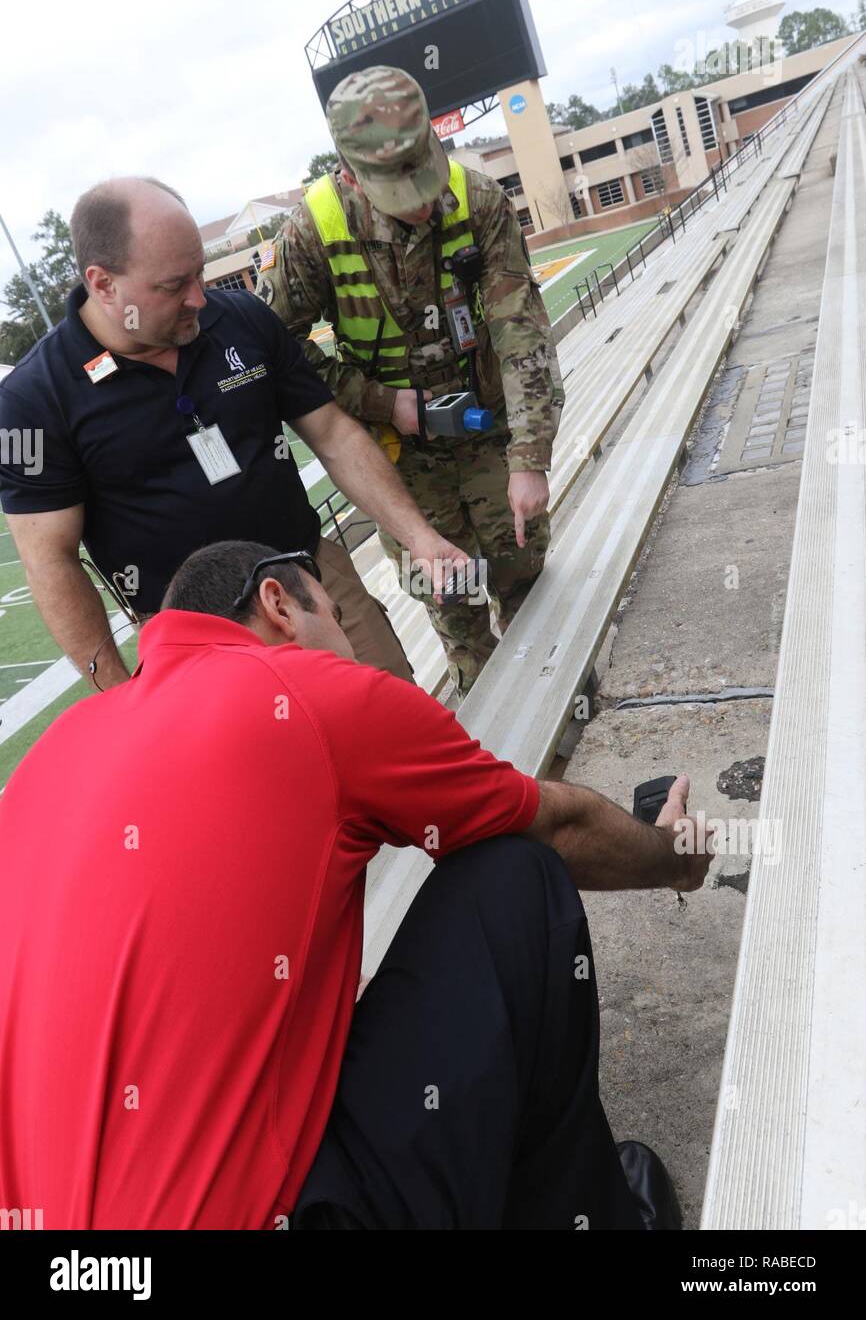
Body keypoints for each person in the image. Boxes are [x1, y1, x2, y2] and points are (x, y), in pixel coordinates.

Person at [0, 538, 708, 1230]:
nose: (353, 649)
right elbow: (555, 827)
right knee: (513, 876)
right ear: (279, 603)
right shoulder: (302, 691)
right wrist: (672, 856)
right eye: (336, 619)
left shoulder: (53, 754)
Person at [0, 176, 469, 688]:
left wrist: (419, 536)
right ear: (104, 283)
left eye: (199, 274)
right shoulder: (33, 397)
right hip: (192, 633)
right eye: (173, 285)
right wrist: (116, 687)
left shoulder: (241, 319)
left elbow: (333, 432)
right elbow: (50, 559)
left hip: (306, 573)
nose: (199, 297)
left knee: (392, 714)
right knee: (271, 763)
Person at [257, 66, 565, 696]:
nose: (422, 203)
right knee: (453, 610)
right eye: (398, 190)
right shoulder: (313, 232)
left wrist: (530, 457)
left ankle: (563, 708)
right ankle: (499, 748)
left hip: (487, 433)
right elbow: (276, 348)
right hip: (398, 463)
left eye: (422, 175)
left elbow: (520, 330)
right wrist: (382, 401)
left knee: (523, 577)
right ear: (349, 174)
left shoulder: (478, 201)